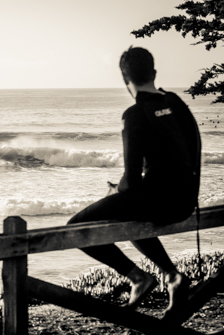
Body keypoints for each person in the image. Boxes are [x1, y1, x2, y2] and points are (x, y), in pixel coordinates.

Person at [66, 47, 201, 320]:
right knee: (126, 206)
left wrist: (116, 190)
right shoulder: (177, 102)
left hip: (158, 204)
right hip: (186, 202)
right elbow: (194, 148)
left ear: (124, 80)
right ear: (154, 73)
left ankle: (138, 277)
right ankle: (171, 275)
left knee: (74, 228)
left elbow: (131, 177)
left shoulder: (135, 114)